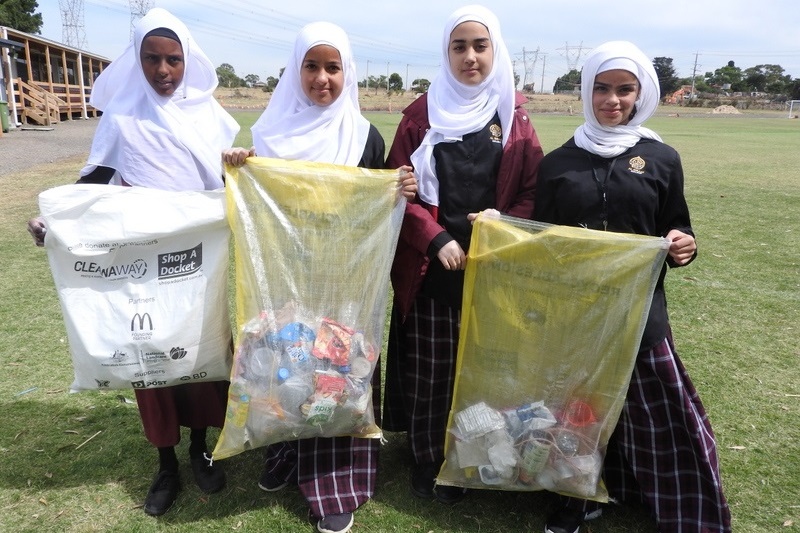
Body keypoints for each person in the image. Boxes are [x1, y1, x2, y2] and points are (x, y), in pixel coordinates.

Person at [26, 8, 240, 517]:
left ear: (188, 60)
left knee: (201, 352)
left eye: (173, 59)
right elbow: (95, 180)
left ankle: (200, 448)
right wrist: (51, 221)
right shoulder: (123, 116)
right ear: (137, 61)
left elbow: (232, 185)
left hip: (196, 257)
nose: (163, 70)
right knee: (150, 355)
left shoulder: (210, 117)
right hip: (140, 260)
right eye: (152, 59)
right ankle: (166, 462)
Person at [222, 22, 415, 533]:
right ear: (296, 70)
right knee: (287, 365)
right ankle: (285, 456)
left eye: (334, 67)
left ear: (347, 73)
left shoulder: (363, 136)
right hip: (288, 278)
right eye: (312, 66)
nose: (322, 79)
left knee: (338, 371)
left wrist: (400, 188)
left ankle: (335, 487)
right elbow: (260, 204)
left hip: (345, 282)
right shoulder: (270, 134)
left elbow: (378, 203)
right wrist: (241, 165)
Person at [533, 41, 732, 533]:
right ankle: (574, 501)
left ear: (642, 94)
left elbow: (677, 228)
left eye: (624, 90)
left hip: (642, 311)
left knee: (656, 413)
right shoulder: (559, 163)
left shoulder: (661, 158)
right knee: (575, 412)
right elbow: (540, 240)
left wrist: (685, 245)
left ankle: (683, 508)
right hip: (576, 314)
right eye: (601, 89)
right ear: (586, 91)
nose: (611, 100)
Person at [381, 4, 544, 505]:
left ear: (495, 50)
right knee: (433, 372)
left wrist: (500, 222)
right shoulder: (420, 115)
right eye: (459, 46)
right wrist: (435, 238)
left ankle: (479, 454)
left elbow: (535, 190)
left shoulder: (513, 116)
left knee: (485, 370)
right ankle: (431, 459)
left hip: (494, 273)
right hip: (434, 272)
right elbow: (396, 191)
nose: (470, 57)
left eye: (480, 45)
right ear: (445, 53)